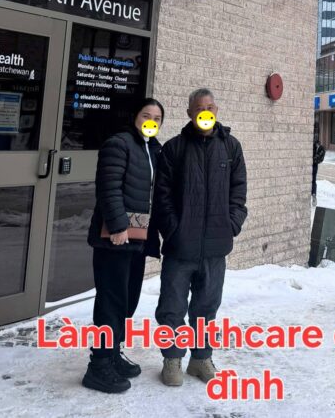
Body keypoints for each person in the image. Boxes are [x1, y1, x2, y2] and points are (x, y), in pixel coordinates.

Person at [154, 88, 247, 387]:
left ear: (216, 110)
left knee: (206, 308)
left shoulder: (231, 147)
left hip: (215, 247)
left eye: (209, 107)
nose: (205, 112)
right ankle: (172, 359)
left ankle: (200, 359)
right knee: (172, 307)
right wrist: (173, 229)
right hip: (180, 246)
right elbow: (162, 196)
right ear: (189, 113)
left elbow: (238, 191)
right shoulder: (174, 148)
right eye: (198, 108)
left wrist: (231, 224)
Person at [82, 97, 164, 394]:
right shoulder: (119, 144)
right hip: (115, 237)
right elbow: (109, 187)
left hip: (138, 238)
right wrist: (117, 226)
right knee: (111, 301)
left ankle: (113, 352)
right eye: (146, 115)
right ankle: (99, 365)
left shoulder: (153, 149)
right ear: (134, 117)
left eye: (157, 117)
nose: (151, 120)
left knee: (127, 300)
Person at [312, 138, 325, 205]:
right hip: (314, 165)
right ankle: (313, 194)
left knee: (312, 180)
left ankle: (313, 194)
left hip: (313, 165)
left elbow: (320, 158)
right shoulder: (320, 147)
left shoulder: (317, 147)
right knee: (313, 181)